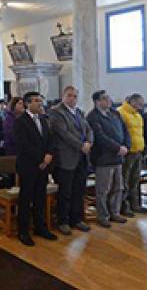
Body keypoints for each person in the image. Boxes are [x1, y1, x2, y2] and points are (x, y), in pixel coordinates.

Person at [14, 92, 58, 246]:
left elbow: (50, 140)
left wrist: (49, 155)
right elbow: (23, 145)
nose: (40, 104)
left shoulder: (44, 119)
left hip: (43, 165)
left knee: (40, 197)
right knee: (26, 199)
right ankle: (23, 231)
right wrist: (41, 158)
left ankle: (40, 227)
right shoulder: (20, 121)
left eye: (41, 101)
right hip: (28, 165)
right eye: (37, 101)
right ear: (27, 103)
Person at [49, 85, 94, 235]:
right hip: (66, 157)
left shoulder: (79, 112)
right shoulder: (56, 112)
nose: (72, 98)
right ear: (63, 96)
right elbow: (63, 134)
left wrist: (89, 142)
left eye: (75, 96)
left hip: (81, 156)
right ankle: (63, 221)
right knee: (65, 191)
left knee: (79, 190)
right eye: (69, 95)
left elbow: (88, 129)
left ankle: (77, 219)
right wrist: (81, 145)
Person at [87, 90, 131, 227]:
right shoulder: (93, 117)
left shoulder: (115, 113)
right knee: (103, 190)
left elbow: (125, 131)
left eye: (108, 97)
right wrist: (118, 148)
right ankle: (103, 216)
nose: (109, 100)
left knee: (118, 187)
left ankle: (115, 212)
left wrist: (126, 146)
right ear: (97, 102)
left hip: (118, 157)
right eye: (105, 98)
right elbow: (100, 137)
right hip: (103, 158)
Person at [118, 93, 147, 215]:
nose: (142, 105)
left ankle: (135, 204)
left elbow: (140, 133)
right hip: (127, 153)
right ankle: (124, 207)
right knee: (124, 181)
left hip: (138, 151)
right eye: (140, 102)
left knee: (135, 181)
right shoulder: (120, 112)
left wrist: (143, 147)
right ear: (133, 102)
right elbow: (120, 133)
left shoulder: (138, 115)